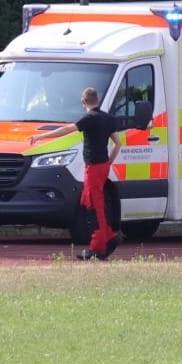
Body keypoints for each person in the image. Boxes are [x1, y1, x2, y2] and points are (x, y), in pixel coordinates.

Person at [75, 86, 125, 260]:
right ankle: (107, 237)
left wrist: (41, 138)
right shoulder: (108, 119)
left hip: (93, 167)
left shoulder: (89, 118)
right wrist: (109, 162)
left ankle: (98, 245)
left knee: (93, 205)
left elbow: (67, 130)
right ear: (97, 100)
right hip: (103, 165)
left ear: (83, 102)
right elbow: (117, 144)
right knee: (96, 202)